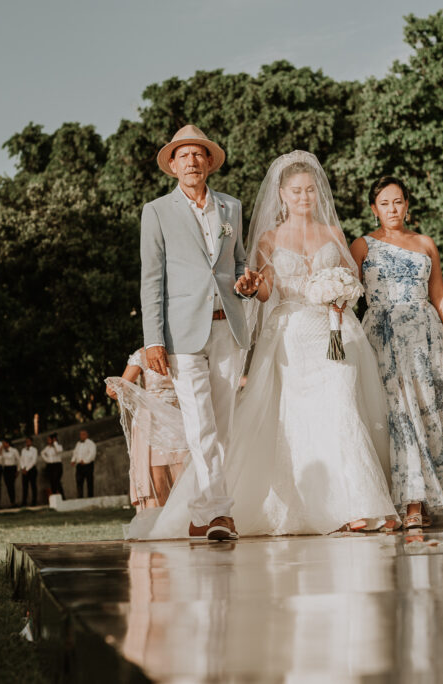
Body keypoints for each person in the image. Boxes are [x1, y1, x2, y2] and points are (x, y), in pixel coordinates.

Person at [130, 151, 398, 538]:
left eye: (309, 190)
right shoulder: (268, 237)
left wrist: (340, 293)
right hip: (285, 335)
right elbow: (260, 286)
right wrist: (253, 288)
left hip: (331, 334)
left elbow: (348, 280)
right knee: (277, 421)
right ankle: (214, 511)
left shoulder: (245, 212)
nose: (304, 196)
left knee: (341, 409)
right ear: (282, 194)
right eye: (296, 191)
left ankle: (359, 503)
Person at [349, 176, 443, 529]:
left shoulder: (424, 243)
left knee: (431, 414)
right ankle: (409, 502)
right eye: (384, 203)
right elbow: (348, 293)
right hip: (383, 337)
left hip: (426, 336)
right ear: (374, 209)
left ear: (407, 205)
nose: (392, 209)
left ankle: (430, 499)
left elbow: (440, 293)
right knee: (397, 416)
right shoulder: (362, 246)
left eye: (398, 201)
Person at [136, 125, 260, 541]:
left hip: (229, 327)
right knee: (201, 425)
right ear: (172, 165)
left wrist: (246, 281)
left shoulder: (231, 207)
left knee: (221, 425)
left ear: (209, 162)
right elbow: (151, 280)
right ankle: (219, 514)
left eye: (198, 154)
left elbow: (239, 262)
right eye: (183, 155)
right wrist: (153, 339)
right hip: (182, 335)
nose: (191, 161)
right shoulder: (156, 212)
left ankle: (201, 515)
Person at [109, 348, 188, 510]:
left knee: (185, 476)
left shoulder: (186, 349)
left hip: (180, 418)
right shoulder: (142, 354)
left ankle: (185, 522)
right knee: (157, 483)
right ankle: (158, 526)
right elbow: (116, 392)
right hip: (152, 422)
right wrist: (139, 397)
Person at [71, 430, 97, 498]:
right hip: (79, 465)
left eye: (83, 434)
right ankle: (80, 497)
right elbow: (75, 452)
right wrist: (73, 460)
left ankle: (90, 496)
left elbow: (92, 454)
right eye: (81, 435)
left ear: (87, 435)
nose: (81, 436)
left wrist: (85, 461)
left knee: (89, 481)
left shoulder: (91, 443)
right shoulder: (78, 443)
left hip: (88, 465)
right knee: (79, 481)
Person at [41, 433, 64, 498]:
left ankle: (62, 496)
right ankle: (54, 496)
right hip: (50, 466)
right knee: (52, 481)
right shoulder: (47, 448)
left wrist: (55, 442)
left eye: (49, 439)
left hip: (57, 465)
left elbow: (59, 450)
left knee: (56, 480)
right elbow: (42, 453)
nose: (48, 441)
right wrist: (47, 460)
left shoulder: (58, 446)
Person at [19, 437, 39, 507]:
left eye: (28, 441)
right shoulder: (23, 450)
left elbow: (33, 461)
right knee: (25, 486)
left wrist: (27, 469)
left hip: (31, 470)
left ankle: (34, 501)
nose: (27, 443)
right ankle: (24, 502)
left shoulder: (34, 450)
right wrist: (23, 468)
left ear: (31, 442)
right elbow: (21, 459)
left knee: (33, 486)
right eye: (26, 441)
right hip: (24, 470)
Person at [0, 438, 19, 507]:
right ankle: (11, 501)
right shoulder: (2, 451)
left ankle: (13, 501)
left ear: (8, 443)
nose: (3, 445)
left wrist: (18, 470)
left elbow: (18, 460)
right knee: (8, 485)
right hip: (6, 469)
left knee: (11, 485)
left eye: (4, 443)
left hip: (12, 468)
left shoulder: (14, 450)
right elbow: (1, 461)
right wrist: (0, 453)